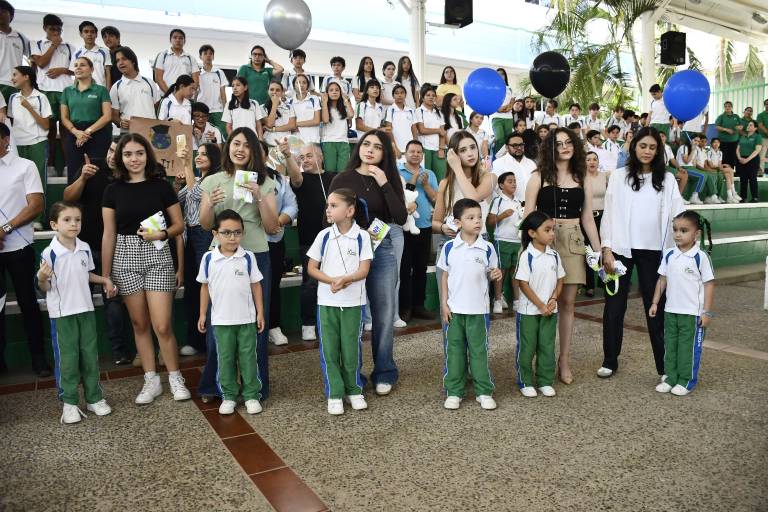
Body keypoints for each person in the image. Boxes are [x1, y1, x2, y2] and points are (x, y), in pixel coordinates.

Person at [101, 133, 191, 404]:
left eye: (139, 153)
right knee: (139, 323)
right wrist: (105, 275)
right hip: (125, 257)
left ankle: (175, 377)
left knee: (162, 324)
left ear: (147, 155)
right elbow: (109, 234)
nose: (134, 159)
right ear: (120, 158)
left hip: (157, 253)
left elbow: (179, 226)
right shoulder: (112, 190)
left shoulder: (160, 186)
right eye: (128, 154)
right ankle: (151, 380)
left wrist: (160, 235)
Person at [198, 127, 279, 400]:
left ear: (254, 150)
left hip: (254, 254)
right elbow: (205, 224)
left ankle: (255, 387)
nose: (240, 149)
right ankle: (216, 385)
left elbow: (272, 226)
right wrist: (211, 203)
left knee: (256, 322)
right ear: (228, 147)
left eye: (246, 144)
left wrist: (258, 195)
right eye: (235, 143)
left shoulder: (265, 182)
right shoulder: (213, 180)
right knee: (217, 323)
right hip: (219, 256)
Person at [599, 126, 685, 379]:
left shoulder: (667, 179)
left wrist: (675, 252)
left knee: (655, 306)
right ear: (634, 147)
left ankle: (664, 366)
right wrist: (607, 249)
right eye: (642, 146)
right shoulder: (618, 176)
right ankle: (609, 360)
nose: (647, 151)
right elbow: (609, 214)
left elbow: (677, 213)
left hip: (654, 252)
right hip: (620, 250)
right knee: (614, 307)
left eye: (652, 147)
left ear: (658, 151)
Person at [328, 129, 407, 395]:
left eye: (377, 147)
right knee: (353, 315)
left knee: (384, 313)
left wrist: (384, 183)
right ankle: (352, 373)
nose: (370, 149)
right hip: (350, 249)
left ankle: (384, 371)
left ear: (385, 154)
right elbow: (330, 214)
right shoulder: (344, 177)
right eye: (366, 144)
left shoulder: (389, 177)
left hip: (382, 248)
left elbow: (399, 216)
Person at [523, 128, 601, 385]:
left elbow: (588, 217)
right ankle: (537, 358)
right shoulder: (538, 177)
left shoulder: (582, 177)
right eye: (558, 144)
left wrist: (598, 252)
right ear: (550, 148)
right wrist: (528, 251)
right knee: (542, 301)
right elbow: (527, 216)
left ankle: (563, 359)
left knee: (567, 302)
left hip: (574, 239)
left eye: (568, 142)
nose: (565, 147)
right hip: (543, 242)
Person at [38, 201, 115, 424]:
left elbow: (85, 274)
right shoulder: (50, 252)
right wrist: (42, 277)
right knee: (68, 360)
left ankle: (94, 398)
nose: (74, 224)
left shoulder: (84, 247)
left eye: (77, 220)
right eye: (67, 220)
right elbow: (44, 286)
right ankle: (69, 403)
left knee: (90, 357)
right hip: (63, 315)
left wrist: (104, 280)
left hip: (86, 311)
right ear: (54, 224)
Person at [63, 137, 131, 365]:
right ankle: (79, 353)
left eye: (117, 152)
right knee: (78, 300)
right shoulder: (92, 166)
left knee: (112, 300)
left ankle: (118, 350)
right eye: (111, 149)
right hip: (83, 246)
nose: (112, 156)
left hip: (113, 247)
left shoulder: (128, 177)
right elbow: (67, 198)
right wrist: (83, 178)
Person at [307, 188, 372, 415]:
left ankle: (354, 389)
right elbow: (311, 268)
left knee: (351, 348)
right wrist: (332, 280)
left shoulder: (362, 236)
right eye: (327, 205)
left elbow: (364, 269)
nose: (328, 209)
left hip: (354, 303)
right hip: (327, 303)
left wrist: (347, 279)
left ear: (350, 210)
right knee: (330, 349)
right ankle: (334, 392)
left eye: (334, 205)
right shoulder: (323, 236)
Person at [197, 209, 265, 415]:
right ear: (215, 234)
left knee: (248, 359)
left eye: (237, 232)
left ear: (243, 233)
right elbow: (204, 287)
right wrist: (202, 315)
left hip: (246, 320)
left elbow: (256, 286)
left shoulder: (248, 258)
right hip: (221, 322)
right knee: (225, 359)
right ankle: (228, 395)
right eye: (226, 232)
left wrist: (260, 313)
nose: (232, 237)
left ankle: (252, 395)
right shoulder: (209, 259)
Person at [438, 197, 501, 410]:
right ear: (457, 222)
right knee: (454, 351)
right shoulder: (449, 248)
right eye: (471, 217)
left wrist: (496, 275)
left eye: (479, 217)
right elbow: (444, 277)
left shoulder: (488, 248)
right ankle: (454, 391)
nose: (477, 221)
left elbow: (492, 273)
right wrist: (444, 305)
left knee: (479, 351)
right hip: (454, 311)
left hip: (478, 311)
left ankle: (484, 391)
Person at [0, 122, 49, 376]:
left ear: (6, 139)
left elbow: (36, 205)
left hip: (19, 247)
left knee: (28, 304)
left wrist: (4, 229)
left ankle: (38, 359)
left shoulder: (25, 166)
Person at [649, 210, 714, 397]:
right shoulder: (669, 254)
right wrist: (655, 302)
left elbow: (709, 285)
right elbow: (662, 280)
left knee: (688, 348)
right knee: (670, 346)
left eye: (684, 230)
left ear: (697, 234)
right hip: (671, 311)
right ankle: (670, 377)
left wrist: (706, 312)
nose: (678, 234)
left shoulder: (700, 257)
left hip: (692, 314)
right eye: (675, 229)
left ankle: (686, 380)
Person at [431, 131, 494, 312]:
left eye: (473, 147)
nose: (470, 153)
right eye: (463, 150)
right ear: (455, 154)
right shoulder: (445, 183)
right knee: (448, 305)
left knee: (477, 304)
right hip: (450, 244)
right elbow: (435, 223)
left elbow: (473, 197)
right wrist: (443, 227)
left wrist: (457, 168)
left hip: (478, 244)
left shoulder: (489, 178)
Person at [174, 143, 220, 356]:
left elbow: (194, 195)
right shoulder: (197, 178)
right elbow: (178, 198)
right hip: (189, 237)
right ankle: (195, 340)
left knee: (207, 288)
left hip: (204, 234)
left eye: (204, 154)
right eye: (197, 154)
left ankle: (210, 340)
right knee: (192, 291)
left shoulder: (214, 179)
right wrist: (176, 183)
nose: (198, 157)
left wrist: (185, 165)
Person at [514, 210, 564, 398]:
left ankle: (544, 380)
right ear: (532, 233)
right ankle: (525, 381)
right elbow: (523, 284)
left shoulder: (554, 256)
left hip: (550, 311)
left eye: (553, 229)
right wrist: (540, 305)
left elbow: (560, 280)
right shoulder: (526, 256)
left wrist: (552, 300)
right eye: (547, 230)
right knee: (527, 347)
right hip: (529, 312)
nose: (552, 234)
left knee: (547, 346)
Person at [287, 144, 335, 340]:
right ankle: (308, 323)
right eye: (301, 158)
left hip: (335, 238)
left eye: (308, 156)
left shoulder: (334, 177)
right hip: (309, 240)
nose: (304, 160)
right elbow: (296, 178)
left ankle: (331, 321)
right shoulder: (301, 179)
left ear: (320, 157)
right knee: (310, 283)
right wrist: (288, 157)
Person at [263, 141, 298, 346]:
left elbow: (291, 204)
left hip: (274, 239)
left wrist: (279, 221)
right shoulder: (237, 177)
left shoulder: (276, 178)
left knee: (272, 285)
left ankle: (273, 326)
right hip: (246, 242)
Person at [398, 140, 437, 321]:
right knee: (405, 269)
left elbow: (436, 200)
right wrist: (413, 179)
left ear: (423, 155)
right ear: (405, 153)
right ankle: (405, 307)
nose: (415, 154)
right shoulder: (398, 172)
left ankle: (419, 306)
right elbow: (402, 196)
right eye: (412, 151)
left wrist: (427, 185)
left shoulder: (429, 173)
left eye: (419, 152)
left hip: (425, 226)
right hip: (404, 228)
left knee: (421, 268)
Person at [31, 14, 74, 178]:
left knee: (66, 131)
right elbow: (41, 63)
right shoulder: (37, 43)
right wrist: (54, 45)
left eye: (58, 29)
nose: (56, 32)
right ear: (45, 29)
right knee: (47, 130)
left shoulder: (70, 47)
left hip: (65, 91)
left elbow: (75, 69)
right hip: (44, 92)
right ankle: (48, 166)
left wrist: (62, 70)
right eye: (52, 29)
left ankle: (68, 166)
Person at [60, 56, 112, 183]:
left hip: (97, 133)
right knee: (74, 170)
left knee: (97, 171)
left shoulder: (101, 90)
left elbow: (107, 116)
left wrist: (88, 131)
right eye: (76, 65)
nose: (78, 67)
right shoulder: (67, 91)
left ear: (92, 69)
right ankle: (74, 202)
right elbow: (64, 118)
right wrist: (76, 132)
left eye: (82, 65)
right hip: (74, 134)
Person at [8, 65, 50, 221]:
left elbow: (46, 125)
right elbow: (11, 124)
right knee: (18, 182)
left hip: (37, 143)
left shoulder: (41, 97)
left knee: (38, 180)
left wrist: (29, 107)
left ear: (26, 77)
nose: (12, 78)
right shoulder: (13, 98)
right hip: (17, 144)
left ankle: (38, 220)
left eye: (15, 74)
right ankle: (20, 218)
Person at [488, 171, 523, 310]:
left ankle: (517, 300)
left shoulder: (519, 202)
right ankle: (497, 300)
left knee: (516, 271)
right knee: (500, 270)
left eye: (514, 181)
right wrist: (502, 215)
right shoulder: (498, 200)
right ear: (501, 185)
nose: (513, 184)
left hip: (517, 241)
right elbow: (490, 221)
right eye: (510, 181)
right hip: (502, 240)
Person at [109, 46, 162, 132]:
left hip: (150, 131)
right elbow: (114, 115)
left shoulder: (149, 83)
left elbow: (157, 107)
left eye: (124, 59)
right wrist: (120, 122)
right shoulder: (116, 87)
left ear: (133, 61)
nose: (120, 63)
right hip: (128, 132)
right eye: (118, 60)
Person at [583, 151, 609, 296]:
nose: (592, 162)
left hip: (603, 217)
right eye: (588, 159)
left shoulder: (604, 176)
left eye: (595, 159)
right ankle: (589, 285)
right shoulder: (580, 178)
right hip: (587, 218)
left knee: (604, 250)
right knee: (589, 252)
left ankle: (604, 281)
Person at [0, 1, 30, 104]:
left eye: (3, 11)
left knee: (14, 119)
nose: (0, 13)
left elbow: (33, 59)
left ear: (11, 16)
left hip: (15, 85)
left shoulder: (21, 37)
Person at [492, 132, 536, 202]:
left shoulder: (531, 163)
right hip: (509, 209)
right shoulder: (498, 164)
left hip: (532, 206)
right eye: (515, 145)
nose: (519, 148)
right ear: (506, 147)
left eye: (521, 145)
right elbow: (494, 190)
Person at [415, 84, 446, 180]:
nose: (431, 97)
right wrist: (437, 130)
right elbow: (422, 130)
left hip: (438, 149)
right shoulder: (418, 111)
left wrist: (441, 148)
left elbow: (443, 132)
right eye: (428, 95)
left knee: (441, 177)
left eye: (433, 95)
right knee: (425, 178)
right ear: (423, 98)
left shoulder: (439, 113)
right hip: (424, 149)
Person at [676, 134, 718, 205]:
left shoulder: (694, 149)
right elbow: (686, 161)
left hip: (691, 168)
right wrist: (692, 150)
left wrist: (697, 169)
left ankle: (712, 195)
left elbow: (694, 163)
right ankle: (694, 196)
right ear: (690, 140)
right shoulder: (684, 147)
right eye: (695, 140)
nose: (697, 142)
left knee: (707, 174)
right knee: (702, 175)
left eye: (698, 141)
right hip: (683, 167)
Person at [153, 28, 199, 93]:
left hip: (185, 98)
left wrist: (189, 94)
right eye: (175, 37)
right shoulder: (163, 55)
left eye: (181, 38)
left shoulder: (191, 58)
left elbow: (196, 80)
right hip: (166, 96)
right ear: (170, 40)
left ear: (184, 41)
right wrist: (170, 95)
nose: (178, 40)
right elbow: (158, 78)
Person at [320, 81, 352, 172]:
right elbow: (325, 120)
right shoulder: (324, 107)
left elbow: (351, 115)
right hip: (328, 142)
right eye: (331, 90)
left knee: (342, 172)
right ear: (327, 93)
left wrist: (346, 100)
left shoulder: (344, 107)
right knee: (330, 171)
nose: (334, 92)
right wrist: (324, 102)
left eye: (337, 90)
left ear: (340, 93)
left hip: (343, 142)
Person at [197, 44, 228, 136]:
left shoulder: (219, 72)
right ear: (200, 56)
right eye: (205, 53)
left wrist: (226, 111)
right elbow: (194, 93)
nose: (208, 55)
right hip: (202, 112)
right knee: (203, 137)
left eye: (210, 54)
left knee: (222, 136)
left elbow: (223, 93)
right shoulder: (197, 73)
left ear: (213, 56)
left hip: (218, 110)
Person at [72, 21, 111, 90]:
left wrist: (107, 93)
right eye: (86, 32)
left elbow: (108, 74)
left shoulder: (105, 52)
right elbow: (76, 75)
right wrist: (74, 91)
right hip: (82, 91)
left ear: (96, 35)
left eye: (92, 32)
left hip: (100, 91)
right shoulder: (76, 53)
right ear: (81, 34)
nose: (89, 34)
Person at [383, 84, 416, 156]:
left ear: (405, 95)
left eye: (402, 93)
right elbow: (389, 131)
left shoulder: (411, 110)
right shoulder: (390, 110)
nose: (399, 95)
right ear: (393, 96)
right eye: (396, 93)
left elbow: (414, 129)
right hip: (397, 149)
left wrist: (415, 146)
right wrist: (395, 148)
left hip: (410, 149)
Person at [262, 80, 296, 146]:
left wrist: (273, 129)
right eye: (271, 89)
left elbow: (292, 125)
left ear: (282, 92)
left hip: (286, 144)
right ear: (268, 91)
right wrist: (275, 104)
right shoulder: (262, 107)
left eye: (277, 90)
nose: (274, 92)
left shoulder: (289, 107)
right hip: (269, 143)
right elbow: (270, 124)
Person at [705, 137, 739, 203]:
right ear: (711, 144)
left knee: (728, 175)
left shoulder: (720, 152)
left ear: (720, 144)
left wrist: (723, 165)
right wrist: (721, 167)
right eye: (714, 142)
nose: (716, 144)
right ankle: (733, 193)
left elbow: (719, 163)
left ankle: (729, 197)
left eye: (718, 142)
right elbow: (711, 165)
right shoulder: (709, 152)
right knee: (730, 170)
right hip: (712, 169)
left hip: (718, 169)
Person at [736, 119, 763, 202]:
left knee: (752, 178)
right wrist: (740, 158)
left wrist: (747, 159)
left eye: (751, 125)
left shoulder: (757, 136)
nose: (748, 126)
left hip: (752, 160)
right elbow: (737, 149)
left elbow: (757, 150)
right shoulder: (743, 136)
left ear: (755, 128)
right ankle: (743, 197)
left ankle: (755, 197)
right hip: (742, 159)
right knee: (743, 179)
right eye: (748, 125)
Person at [290, 74, 321, 144]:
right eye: (298, 83)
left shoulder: (314, 99)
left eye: (304, 82)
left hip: (313, 140)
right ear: (294, 86)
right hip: (296, 141)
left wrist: (295, 124)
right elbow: (289, 124)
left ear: (307, 86)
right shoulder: (289, 102)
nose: (301, 85)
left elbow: (316, 121)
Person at [490, 67, 515, 154]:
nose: (500, 76)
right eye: (498, 74)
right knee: (500, 139)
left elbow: (512, 102)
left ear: (505, 76)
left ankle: (507, 158)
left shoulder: (510, 89)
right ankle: (496, 159)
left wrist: (507, 108)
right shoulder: (492, 88)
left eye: (502, 74)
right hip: (496, 117)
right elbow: (490, 102)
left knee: (508, 140)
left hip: (508, 117)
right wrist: (498, 109)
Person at [715, 101, 741, 168]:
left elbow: (741, 126)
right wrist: (726, 129)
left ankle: (731, 171)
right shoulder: (721, 117)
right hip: (723, 141)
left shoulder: (736, 116)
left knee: (733, 156)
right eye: (726, 106)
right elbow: (717, 127)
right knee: (724, 157)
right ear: (724, 108)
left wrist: (738, 128)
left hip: (734, 141)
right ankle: (724, 172)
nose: (727, 108)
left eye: (729, 106)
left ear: (732, 107)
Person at [757, 98, 768, 175]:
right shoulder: (760, 115)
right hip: (763, 138)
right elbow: (761, 126)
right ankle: (760, 172)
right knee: (762, 155)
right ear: (764, 105)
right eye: (767, 104)